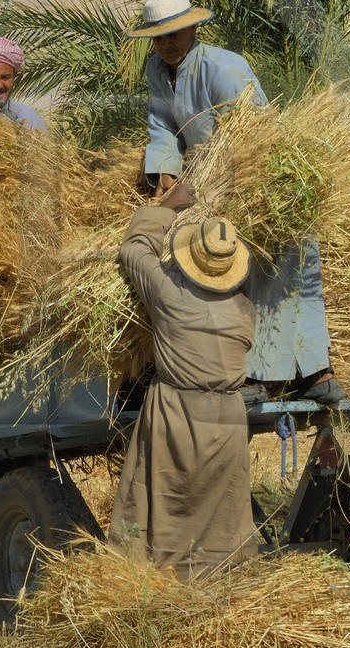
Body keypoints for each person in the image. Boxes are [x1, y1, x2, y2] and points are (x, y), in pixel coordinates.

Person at [127, 0, 341, 401]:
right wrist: (166, 173)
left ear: (192, 30)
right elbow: (162, 125)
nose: (166, 44)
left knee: (275, 272)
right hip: (206, 183)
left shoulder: (223, 69)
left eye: (173, 34)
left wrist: (234, 187)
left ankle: (301, 376)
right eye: (159, 37)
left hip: (251, 180)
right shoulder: (157, 70)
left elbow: (254, 136)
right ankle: (275, 374)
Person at [110, 181, 257, 577]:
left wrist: (167, 207)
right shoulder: (243, 309)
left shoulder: (170, 295)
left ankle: (150, 586)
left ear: (190, 257)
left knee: (158, 505)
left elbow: (133, 250)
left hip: (178, 415)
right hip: (228, 420)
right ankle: (216, 584)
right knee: (220, 518)